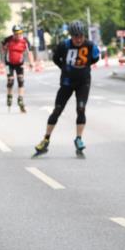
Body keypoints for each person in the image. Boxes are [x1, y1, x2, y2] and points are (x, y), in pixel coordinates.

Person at [34, 20, 100, 157]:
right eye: (76, 36)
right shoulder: (64, 45)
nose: (79, 39)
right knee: (57, 110)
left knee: (81, 109)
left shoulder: (90, 45)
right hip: (67, 82)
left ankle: (79, 139)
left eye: (81, 36)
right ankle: (46, 139)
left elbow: (95, 59)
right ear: (71, 36)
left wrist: (83, 68)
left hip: (83, 83)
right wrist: (65, 68)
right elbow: (56, 59)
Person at [2, 24, 36, 112]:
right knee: (10, 81)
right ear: (13, 33)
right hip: (8, 63)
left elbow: (30, 53)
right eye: (16, 33)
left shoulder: (25, 41)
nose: (18, 35)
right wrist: (5, 49)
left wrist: (31, 62)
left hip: (19, 63)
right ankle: (9, 96)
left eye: (20, 33)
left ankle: (20, 99)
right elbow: (3, 48)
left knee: (20, 80)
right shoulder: (8, 39)